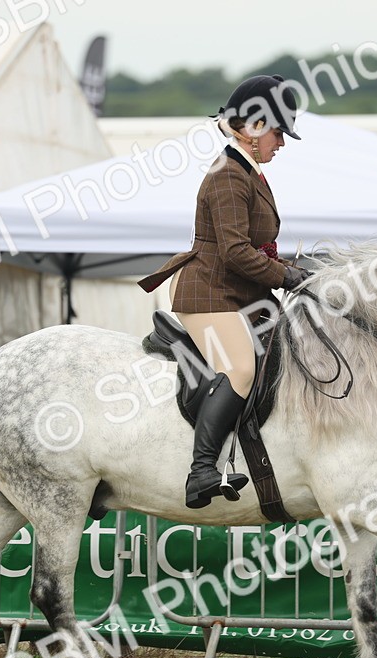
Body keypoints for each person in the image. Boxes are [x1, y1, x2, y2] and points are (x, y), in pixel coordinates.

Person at [138, 75, 310, 509]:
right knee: (240, 370)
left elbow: (252, 248)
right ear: (253, 128)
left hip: (239, 294)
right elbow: (234, 252)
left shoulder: (249, 173)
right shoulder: (228, 177)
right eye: (277, 133)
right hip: (210, 293)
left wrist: (294, 269)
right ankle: (201, 472)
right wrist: (284, 277)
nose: (282, 144)